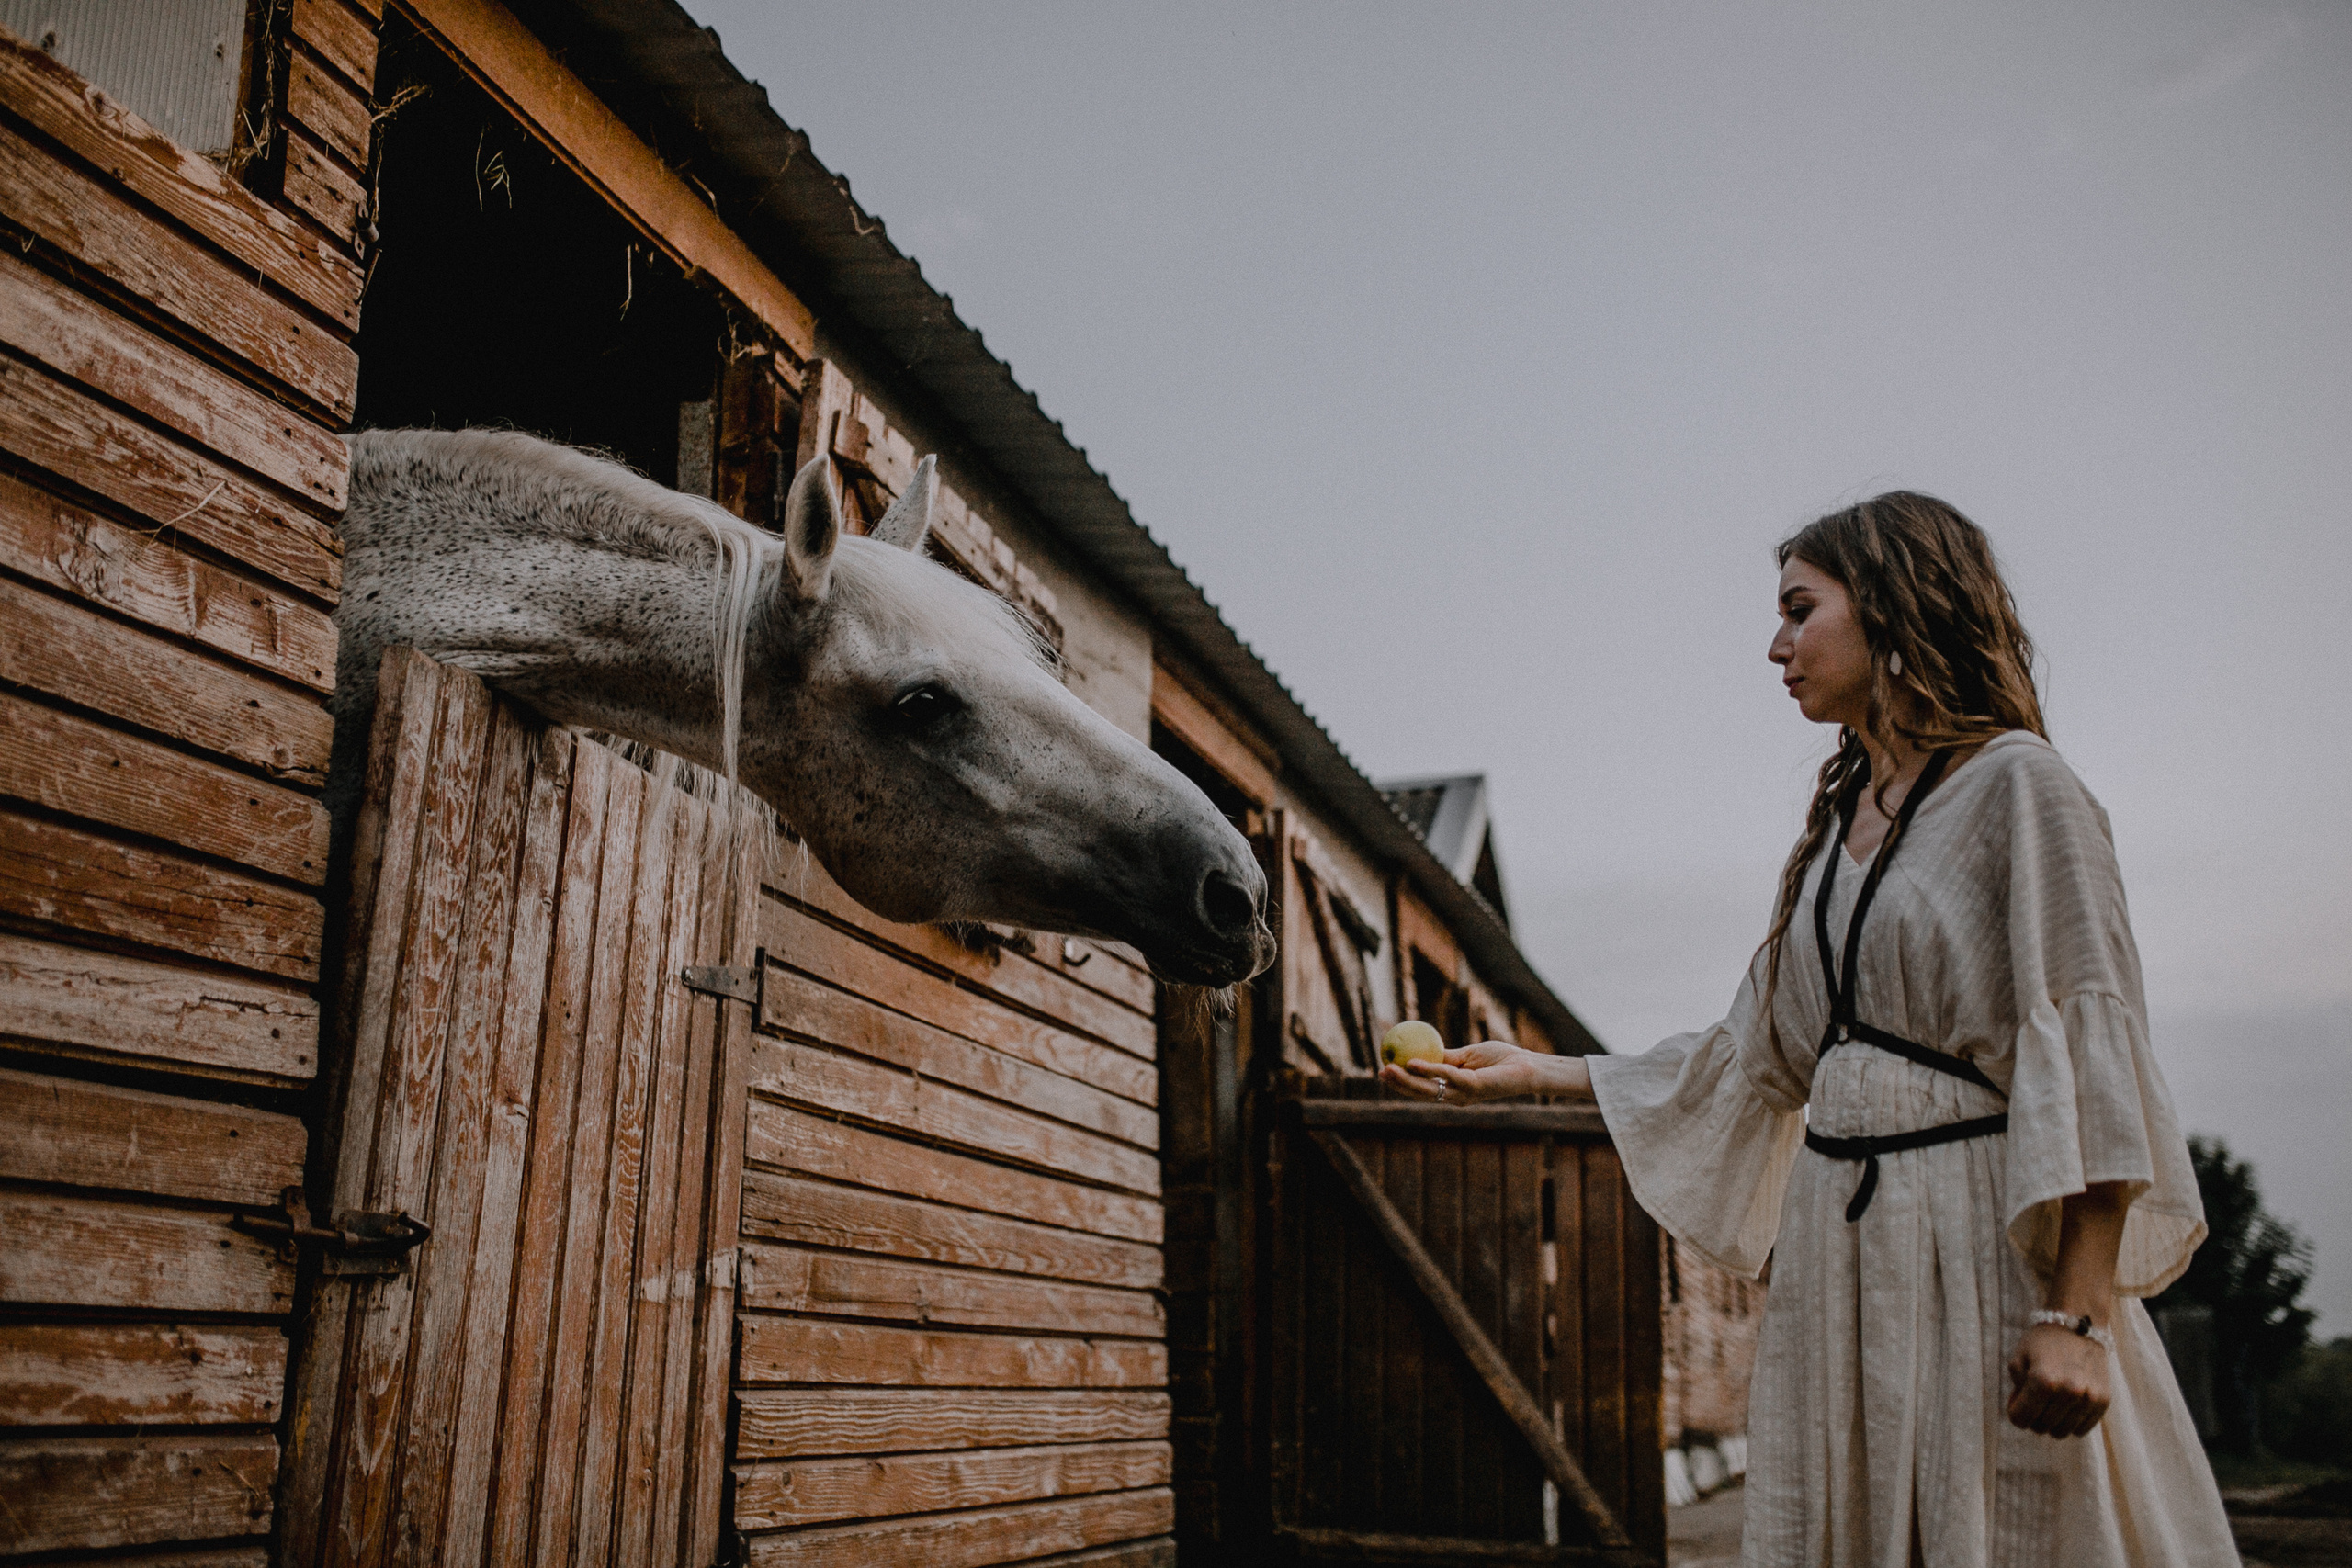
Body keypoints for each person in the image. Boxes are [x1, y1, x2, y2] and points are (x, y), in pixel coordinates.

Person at [1382, 493, 2238, 1567]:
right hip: (1842, 1259)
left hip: (1972, 1243)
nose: (1775, 646)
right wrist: (1535, 1073)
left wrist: (2076, 1319)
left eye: (1799, 609)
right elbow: (1753, 1061)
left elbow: (2093, 1047)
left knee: (2015, 1528)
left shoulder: (2021, 788)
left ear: (1889, 606)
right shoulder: (1838, 835)